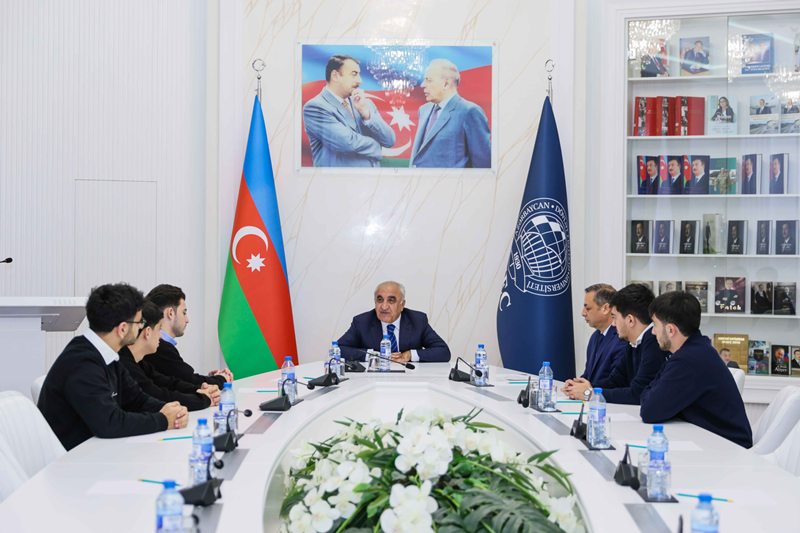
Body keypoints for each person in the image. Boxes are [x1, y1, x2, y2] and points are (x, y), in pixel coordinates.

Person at [37, 283, 188, 450]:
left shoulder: (108, 355)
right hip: (74, 458)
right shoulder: (81, 363)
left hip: (97, 450)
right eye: (139, 322)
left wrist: (169, 410)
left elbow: (137, 399)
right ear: (122, 329)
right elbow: (109, 423)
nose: (141, 327)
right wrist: (163, 420)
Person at [641, 292, 753, 448]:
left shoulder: (689, 359)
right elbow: (648, 396)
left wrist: (650, 395)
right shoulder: (696, 348)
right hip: (713, 441)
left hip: (727, 448)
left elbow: (649, 411)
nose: (653, 332)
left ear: (671, 330)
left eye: (655, 325)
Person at [561, 283, 668, 404]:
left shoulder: (653, 342)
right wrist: (582, 388)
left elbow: (638, 394)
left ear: (630, 320)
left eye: (615, 317)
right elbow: (615, 381)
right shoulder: (633, 343)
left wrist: (590, 394)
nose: (613, 324)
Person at [118, 300, 220, 411]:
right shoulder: (124, 363)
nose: (160, 337)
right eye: (159, 329)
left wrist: (199, 389)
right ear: (147, 332)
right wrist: (203, 399)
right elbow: (157, 395)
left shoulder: (140, 362)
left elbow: (167, 383)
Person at [303, 55, 395, 167]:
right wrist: (378, 147)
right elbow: (347, 142)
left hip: (372, 176)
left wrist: (367, 116)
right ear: (335, 76)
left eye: (359, 75)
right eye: (354, 74)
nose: (360, 81)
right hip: (339, 178)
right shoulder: (315, 107)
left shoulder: (365, 103)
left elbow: (389, 140)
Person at [337, 281, 450, 363]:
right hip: (373, 380)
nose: (384, 306)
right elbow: (338, 349)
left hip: (410, 379)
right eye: (380, 300)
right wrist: (374, 355)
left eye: (391, 300)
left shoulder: (417, 321)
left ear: (402, 304)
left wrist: (409, 355)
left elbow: (443, 351)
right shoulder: (362, 322)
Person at [146, 284, 232, 388]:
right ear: (170, 313)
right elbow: (189, 380)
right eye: (184, 312)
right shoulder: (160, 347)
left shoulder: (159, 345)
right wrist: (222, 379)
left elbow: (182, 380)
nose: (187, 320)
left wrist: (213, 378)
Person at [409, 59, 490, 168]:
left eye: (428, 80)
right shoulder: (424, 110)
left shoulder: (470, 111)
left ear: (446, 84)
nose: (423, 85)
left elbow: (483, 164)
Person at [562, 284, 627, 398]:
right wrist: (575, 385)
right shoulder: (595, 336)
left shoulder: (622, 338)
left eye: (588, 308)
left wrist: (586, 390)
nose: (583, 313)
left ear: (605, 308)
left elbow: (615, 383)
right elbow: (589, 375)